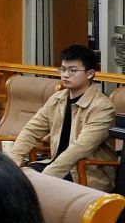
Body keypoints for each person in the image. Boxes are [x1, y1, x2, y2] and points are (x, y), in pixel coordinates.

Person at [7, 44, 116, 191]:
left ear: (90, 74)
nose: (65, 75)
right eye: (63, 69)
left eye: (73, 70)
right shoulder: (57, 99)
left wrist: (47, 175)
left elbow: (80, 148)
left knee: (29, 185)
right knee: (11, 179)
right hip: (56, 165)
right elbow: (31, 131)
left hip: (86, 173)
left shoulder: (102, 107)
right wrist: (13, 161)